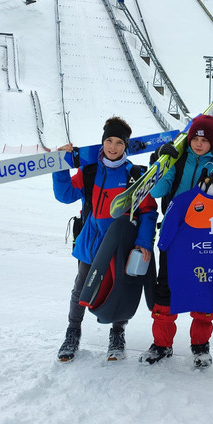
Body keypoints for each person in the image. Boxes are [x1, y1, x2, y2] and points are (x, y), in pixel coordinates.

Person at [53, 117, 158, 362]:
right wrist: (60, 166)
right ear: (103, 142)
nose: (113, 147)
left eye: (119, 142)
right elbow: (65, 195)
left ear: (126, 146)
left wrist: (143, 242)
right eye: (109, 141)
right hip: (91, 245)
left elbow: (148, 211)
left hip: (120, 246)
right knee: (82, 288)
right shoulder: (90, 171)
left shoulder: (134, 174)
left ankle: (117, 333)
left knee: (119, 289)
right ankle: (73, 331)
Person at [139, 115, 213, 368]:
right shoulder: (178, 163)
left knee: (203, 288)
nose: (199, 144)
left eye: (204, 140)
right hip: (175, 234)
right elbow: (156, 191)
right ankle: (161, 343)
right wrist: (161, 162)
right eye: (195, 138)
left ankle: (200, 345)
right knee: (165, 287)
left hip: (204, 237)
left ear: (212, 143)